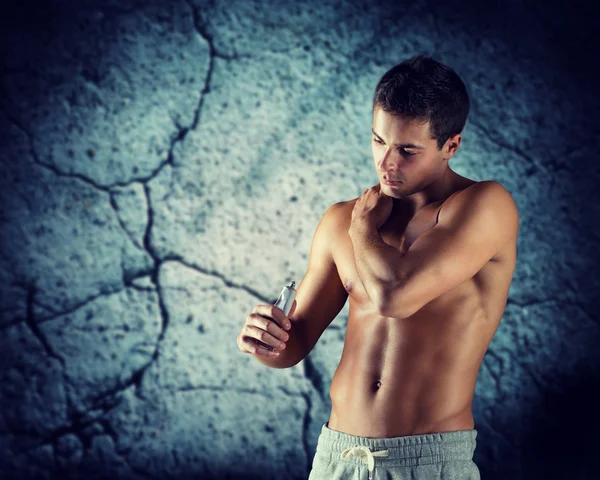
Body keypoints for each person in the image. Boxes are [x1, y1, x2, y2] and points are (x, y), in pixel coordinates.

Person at [237, 54, 519, 480]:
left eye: (407, 150)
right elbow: (293, 348)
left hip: (427, 461)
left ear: (451, 145)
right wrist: (265, 341)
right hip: (336, 456)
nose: (387, 163)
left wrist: (364, 231)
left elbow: (394, 297)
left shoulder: (484, 207)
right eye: (378, 141)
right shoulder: (341, 220)